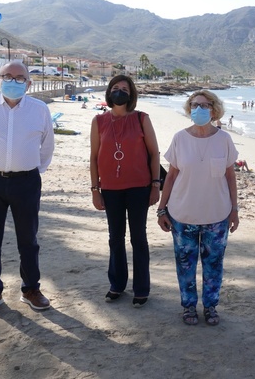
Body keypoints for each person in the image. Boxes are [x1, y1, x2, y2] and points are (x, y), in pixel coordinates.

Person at [0, 61, 55, 317]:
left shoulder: (39, 110)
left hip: (26, 182)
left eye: (20, 78)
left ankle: (30, 290)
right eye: (8, 76)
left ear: (29, 83)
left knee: (28, 240)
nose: (13, 81)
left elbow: (47, 147)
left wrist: (30, 171)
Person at [156, 90, 239, 326]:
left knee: (213, 265)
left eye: (203, 105)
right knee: (185, 265)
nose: (198, 109)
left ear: (214, 110)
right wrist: (162, 209)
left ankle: (211, 307)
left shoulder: (224, 139)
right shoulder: (180, 138)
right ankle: (189, 307)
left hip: (217, 215)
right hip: (182, 215)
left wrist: (234, 209)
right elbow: (171, 176)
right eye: (194, 105)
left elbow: (231, 177)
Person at [90, 75, 161, 307]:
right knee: (115, 238)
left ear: (131, 95)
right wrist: (95, 189)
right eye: (115, 88)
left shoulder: (141, 119)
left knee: (138, 238)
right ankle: (117, 285)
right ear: (109, 92)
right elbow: (93, 157)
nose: (119, 91)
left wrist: (155, 184)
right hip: (110, 189)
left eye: (124, 89)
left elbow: (154, 154)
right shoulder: (98, 121)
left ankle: (142, 288)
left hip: (139, 188)